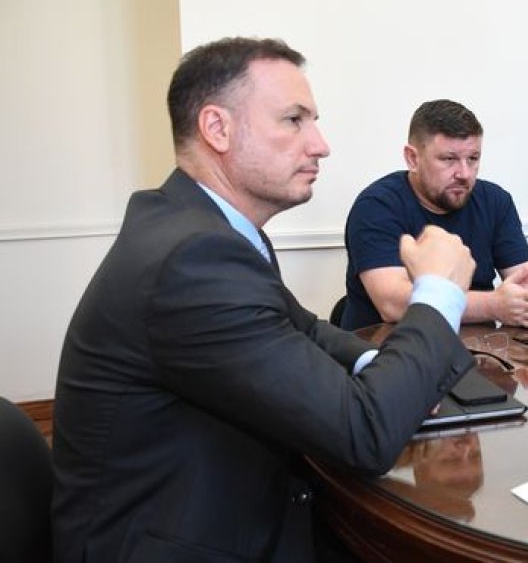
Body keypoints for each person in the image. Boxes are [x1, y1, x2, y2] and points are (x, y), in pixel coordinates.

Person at [51, 37, 478, 563]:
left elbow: (302, 327)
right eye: (294, 120)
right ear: (217, 128)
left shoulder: (204, 228)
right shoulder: (194, 258)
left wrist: (377, 361)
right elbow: (364, 435)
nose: (320, 144)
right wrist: (438, 293)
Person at [341, 99, 528, 331]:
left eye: (473, 158)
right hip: (388, 351)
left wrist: (526, 295)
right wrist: (493, 305)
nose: (464, 174)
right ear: (413, 158)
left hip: (480, 353)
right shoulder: (376, 206)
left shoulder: (496, 201)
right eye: (449, 159)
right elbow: (392, 304)